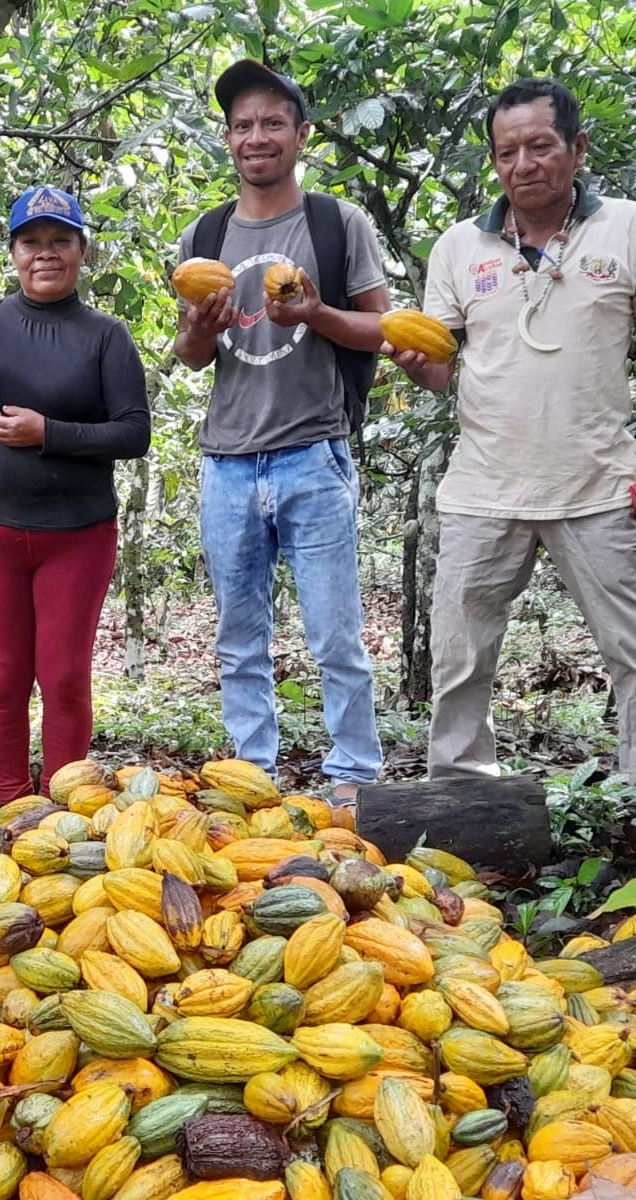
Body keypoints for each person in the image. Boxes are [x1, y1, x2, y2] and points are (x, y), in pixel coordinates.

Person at [387, 78, 636, 807]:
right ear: (493, 161)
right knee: (462, 658)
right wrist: (415, 360)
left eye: (540, 146)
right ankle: (464, 796)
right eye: (507, 152)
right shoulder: (460, 247)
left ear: (576, 148)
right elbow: (439, 368)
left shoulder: (630, 227)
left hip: (595, 485)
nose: (524, 164)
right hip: (482, 488)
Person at [172, 60, 389, 803]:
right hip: (228, 461)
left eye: (271, 123)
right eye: (242, 125)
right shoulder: (204, 236)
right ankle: (252, 780)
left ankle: (354, 780)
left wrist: (318, 314)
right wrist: (200, 330)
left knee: (336, 637)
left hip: (312, 453)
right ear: (228, 139)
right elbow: (193, 357)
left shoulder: (336, 224)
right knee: (239, 641)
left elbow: (384, 331)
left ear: (301, 134)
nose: (255, 137)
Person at [0, 185, 150, 804]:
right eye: (31, 242)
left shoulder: (105, 335)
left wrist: (50, 433)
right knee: (5, 675)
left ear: (81, 252)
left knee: (63, 676)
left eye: (60, 241)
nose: (46, 254)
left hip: (78, 533)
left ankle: (65, 802)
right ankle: (16, 804)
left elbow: (133, 432)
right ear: (13, 253)